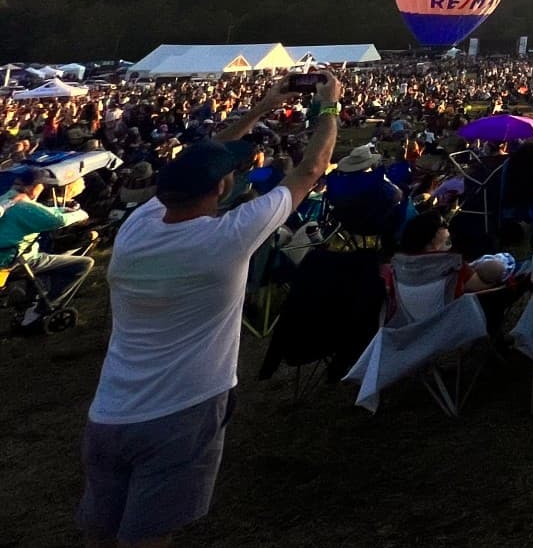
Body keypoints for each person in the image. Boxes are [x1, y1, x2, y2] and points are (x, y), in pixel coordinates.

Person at [80, 74, 342, 548]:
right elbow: (310, 170)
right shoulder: (226, 239)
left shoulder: (138, 227)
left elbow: (197, 162)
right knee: (148, 537)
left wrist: (261, 107)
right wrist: (328, 107)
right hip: (182, 410)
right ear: (222, 186)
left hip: (110, 411)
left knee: (102, 532)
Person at [1, 169, 93, 327]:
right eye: (42, 186)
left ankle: (30, 299)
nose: (44, 189)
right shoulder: (23, 207)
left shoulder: (6, 198)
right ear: (34, 186)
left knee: (50, 257)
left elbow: (43, 212)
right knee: (83, 263)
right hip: (15, 261)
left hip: (7, 257)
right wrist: (80, 214)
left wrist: (61, 209)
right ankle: (40, 311)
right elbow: (57, 221)